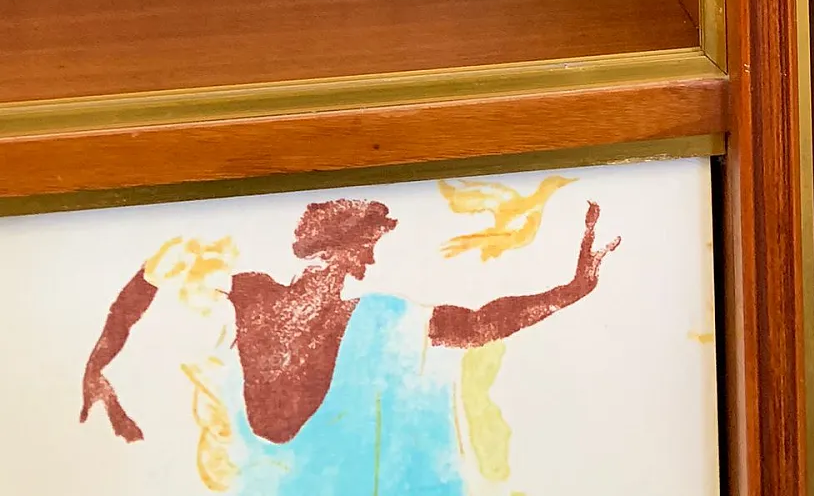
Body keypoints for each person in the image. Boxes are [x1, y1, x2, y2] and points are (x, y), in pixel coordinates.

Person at [80, 194, 619, 493]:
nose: (372, 258)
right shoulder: (254, 292)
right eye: (368, 246)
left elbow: (478, 325)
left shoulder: (368, 314)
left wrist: (571, 290)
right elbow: (152, 275)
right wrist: (97, 367)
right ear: (342, 250)